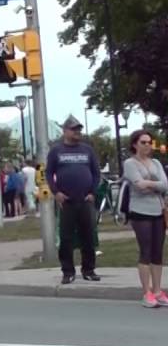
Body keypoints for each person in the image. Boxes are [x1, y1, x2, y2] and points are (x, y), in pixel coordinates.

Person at [47, 114, 102, 284]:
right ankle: (68, 271)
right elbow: (49, 173)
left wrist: (93, 192)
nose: (77, 132)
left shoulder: (87, 150)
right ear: (65, 131)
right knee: (66, 238)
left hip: (85, 200)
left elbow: (96, 173)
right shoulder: (56, 150)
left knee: (88, 236)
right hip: (66, 201)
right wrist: (56, 192)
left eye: (79, 129)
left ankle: (89, 269)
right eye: (73, 129)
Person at [121, 130, 168, 307]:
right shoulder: (130, 163)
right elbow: (138, 186)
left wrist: (151, 184)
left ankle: (157, 290)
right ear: (135, 144)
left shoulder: (156, 162)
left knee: (158, 251)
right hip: (140, 211)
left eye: (149, 142)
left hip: (158, 210)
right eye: (143, 142)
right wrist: (155, 185)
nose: (147, 145)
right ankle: (146, 292)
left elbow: (165, 185)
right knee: (145, 250)